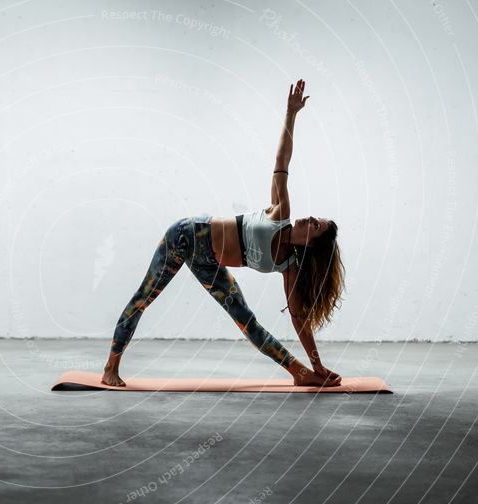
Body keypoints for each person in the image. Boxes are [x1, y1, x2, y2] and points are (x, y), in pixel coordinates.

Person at [101, 79, 344, 388]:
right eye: (315, 218)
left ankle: (301, 374)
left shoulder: (290, 267)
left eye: (316, 225)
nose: (309, 218)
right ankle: (110, 368)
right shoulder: (280, 213)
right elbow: (282, 161)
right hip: (187, 237)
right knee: (143, 298)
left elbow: (299, 320)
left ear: (312, 243)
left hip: (210, 264)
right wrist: (291, 113)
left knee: (248, 322)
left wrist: (317, 364)